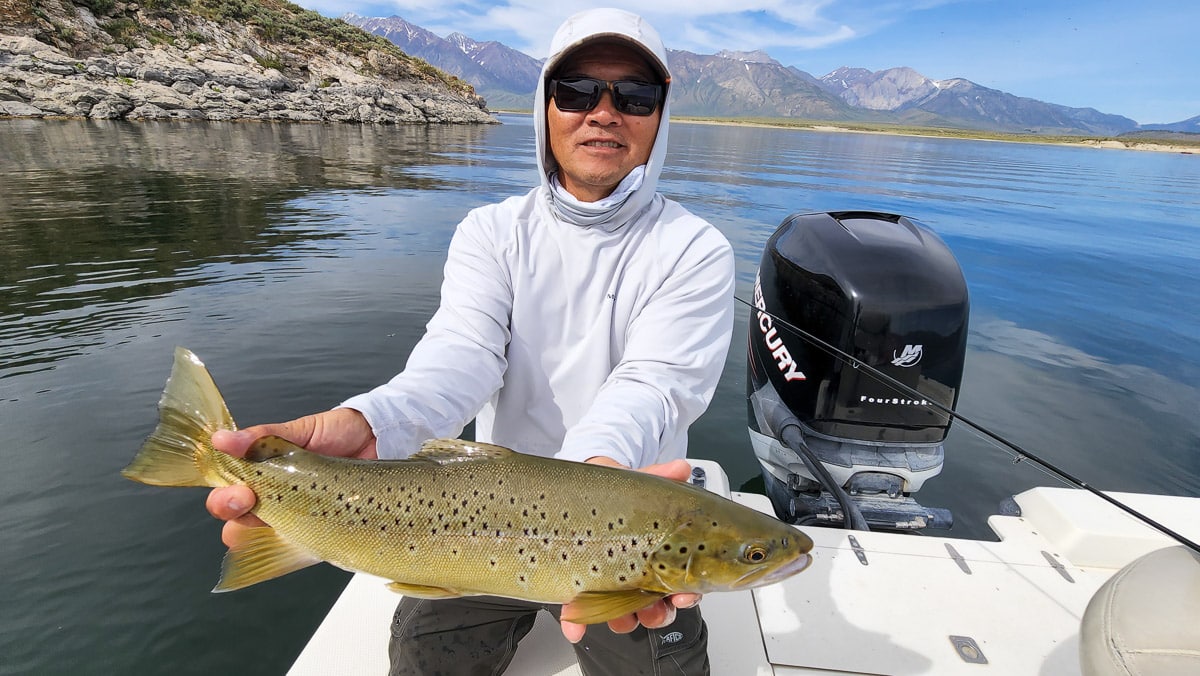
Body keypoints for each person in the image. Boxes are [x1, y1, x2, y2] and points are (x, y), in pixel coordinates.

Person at [205, 7, 735, 676]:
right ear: (546, 104)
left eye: (633, 95)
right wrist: (373, 423)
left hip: (630, 533)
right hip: (471, 515)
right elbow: (460, 357)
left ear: (660, 115)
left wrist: (593, 483)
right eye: (576, 90)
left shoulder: (695, 249)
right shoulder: (491, 231)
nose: (603, 112)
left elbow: (655, 384)